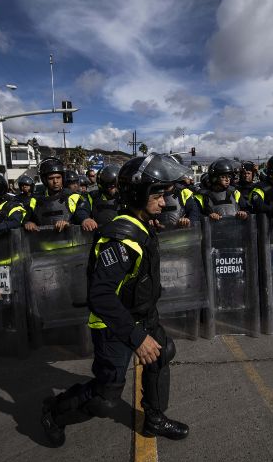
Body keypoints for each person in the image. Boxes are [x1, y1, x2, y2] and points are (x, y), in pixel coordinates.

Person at [41, 153, 191, 446]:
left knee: (161, 356)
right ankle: (54, 412)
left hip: (144, 315)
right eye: (158, 196)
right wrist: (136, 337)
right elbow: (101, 295)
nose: (164, 203)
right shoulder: (120, 237)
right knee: (105, 398)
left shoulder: (143, 223)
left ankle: (155, 418)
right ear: (137, 194)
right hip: (114, 325)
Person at [30, 157, 97, 233]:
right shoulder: (35, 200)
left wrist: (85, 219)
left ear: (63, 178)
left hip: (71, 243)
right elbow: (26, 217)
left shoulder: (74, 197)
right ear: (44, 180)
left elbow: (81, 211)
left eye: (58, 177)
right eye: (51, 178)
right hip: (43, 243)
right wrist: (28, 222)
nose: (55, 181)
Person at [195, 158, 249, 222]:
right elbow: (196, 216)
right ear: (214, 178)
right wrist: (208, 217)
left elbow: (247, 210)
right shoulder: (202, 196)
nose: (227, 179)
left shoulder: (235, 193)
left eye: (229, 176)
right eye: (223, 177)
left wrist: (244, 214)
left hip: (235, 229)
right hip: (213, 231)